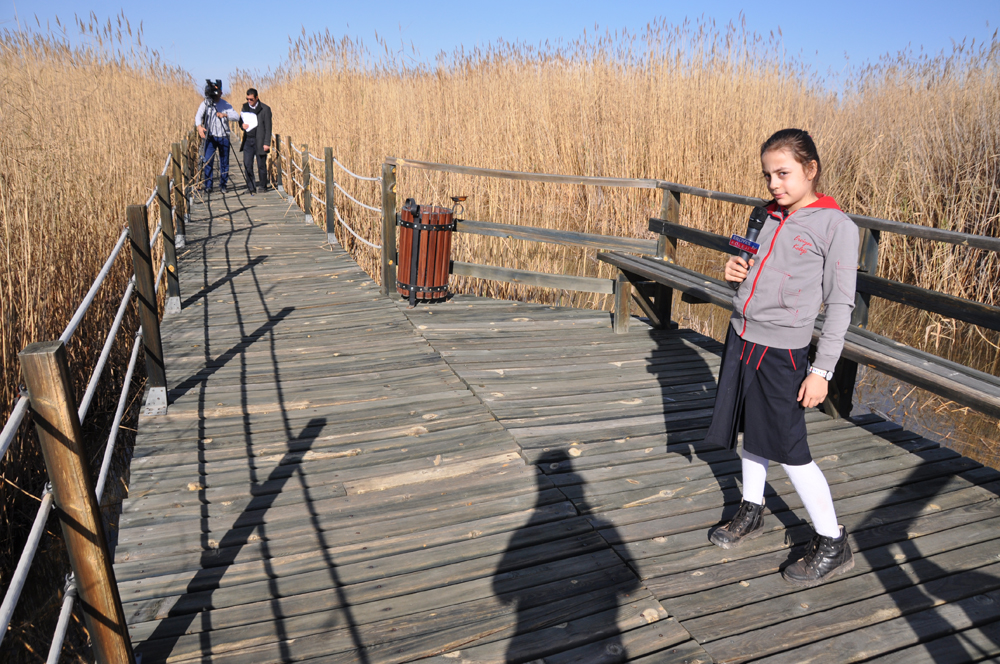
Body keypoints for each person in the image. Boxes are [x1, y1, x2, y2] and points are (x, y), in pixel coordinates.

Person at [703, 128, 859, 587]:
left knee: (791, 450)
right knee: (751, 429)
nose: (774, 184)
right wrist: (733, 274)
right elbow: (750, 275)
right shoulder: (765, 215)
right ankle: (752, 510)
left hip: (784, 352)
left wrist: (822, 371)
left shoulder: (836, 227)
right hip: (741, 336)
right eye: (768, 175)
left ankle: (833, 541)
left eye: (784, 173)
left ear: (811, 170)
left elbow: (841, 305)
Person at [194, 80, 238, 193]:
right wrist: (199, 127)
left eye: (217, 92)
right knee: (208, 161)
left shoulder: (225, 104)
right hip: (210, 137)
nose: (215, 95)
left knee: (224, 162)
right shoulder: (206, 103)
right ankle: (208, 185)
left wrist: (225, 115)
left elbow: (236, 116)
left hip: (223, 136)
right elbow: (198, 116)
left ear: (221, 93)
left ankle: (223, 185)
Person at [239, 88, 273, 194]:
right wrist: (242, 125)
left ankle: (263, 186)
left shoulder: (265, 109)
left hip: (260, 140)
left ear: (256, 98)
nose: (249, 101)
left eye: (251, 99)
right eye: (247, 99)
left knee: (261, 165)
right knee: (247, 164)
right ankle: (251, 187)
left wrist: (267, 143)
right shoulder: (245, 107)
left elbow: (268, 128)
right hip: (248, 140)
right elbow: (241, 121)